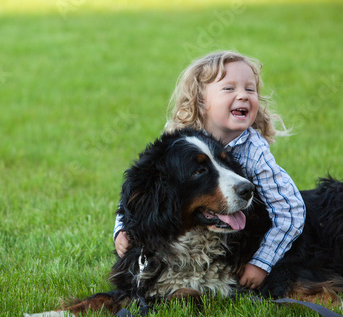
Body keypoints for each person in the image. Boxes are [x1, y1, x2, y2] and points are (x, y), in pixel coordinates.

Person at [113, 50, 306, 290]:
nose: (243, 96)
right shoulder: (179, 142)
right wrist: (121, 230)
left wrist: (261, 263)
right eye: (229, 88)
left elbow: (290, 210)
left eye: (250, 89)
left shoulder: (255, 150)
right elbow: (140, 192)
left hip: (252, 231)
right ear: (201, 102)